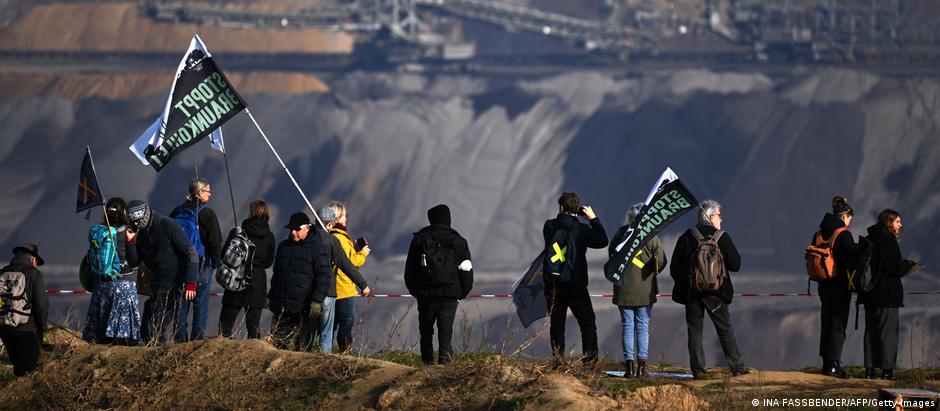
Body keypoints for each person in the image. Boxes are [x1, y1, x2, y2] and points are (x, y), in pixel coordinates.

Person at [268, 211, 370, 352]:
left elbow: (324, 275)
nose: (293, 232)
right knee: (282, 344)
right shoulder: (284, 247)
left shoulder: (318, 247)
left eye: (297, 229)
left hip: (307, 305)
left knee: (305, 345)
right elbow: (277, 275)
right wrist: (273, 298)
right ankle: (322, 355)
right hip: (285, 307)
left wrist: (316, 300)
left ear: (308, 227)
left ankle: (322, 360)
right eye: (291, 229)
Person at [669, 200, 747, 379]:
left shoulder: (687, 237)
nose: (721, 219)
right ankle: (737, 367)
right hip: (717, 293)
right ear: (710, 217)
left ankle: (698, 370)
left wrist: (689, 283)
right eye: (719, 215)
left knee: (695, 331)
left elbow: (674, 268)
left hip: (693, 293)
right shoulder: (722, 237)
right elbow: (736, 264)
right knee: (725, 329)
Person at [542, 193, 608, 367]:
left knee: (557, 324)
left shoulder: (549, 226)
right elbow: (602, 240)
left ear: (561, 208)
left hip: (554, 284)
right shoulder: (582, 230)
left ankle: (558, 362)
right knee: (587, 323)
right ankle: (590, 362)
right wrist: (593, 219)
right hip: (576, 284)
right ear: (577, 209)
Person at [405, 204, 473, 365]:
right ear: (448, 218)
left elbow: (410, 270)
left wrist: (417, 291)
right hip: (450, 295)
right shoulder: (459, 241)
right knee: (445, 332)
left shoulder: (420, 239)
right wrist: (461, 292)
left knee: (426, 331)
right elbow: (467, 270)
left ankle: (427, 363)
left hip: (426, 295)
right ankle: (445, 363)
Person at [128, 200, 198, 345]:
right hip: (157, 285)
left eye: (138, 220)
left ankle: (169, 357)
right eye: (133, 221)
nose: (136, 224)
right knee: (153, 326)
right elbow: (134, 262)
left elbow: (191, 253)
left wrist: (191, 283)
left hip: (175, 283)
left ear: (145, 214)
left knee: (166, 327)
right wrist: (130, 242)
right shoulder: (142, 235)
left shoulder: (168, 225)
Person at [609, 203, 667, 377]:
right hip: (645, 290)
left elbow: (612, 256)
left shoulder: (620, 235)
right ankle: (642, 367)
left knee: (627, 326)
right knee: (642, 327)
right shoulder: (652, 237)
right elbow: (662, 261)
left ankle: (629, 367)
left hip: (624, 288)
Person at [862, 209, 917, 381]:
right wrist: (908, 265)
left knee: (871, 331)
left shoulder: (870, 238)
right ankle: (887, 370)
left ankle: (869, 369)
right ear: (889, 222)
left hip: (868, 292)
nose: (900, 225)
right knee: (888, 332)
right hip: (887, 293)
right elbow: (894, 268)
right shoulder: (889, 241)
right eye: (898, 221)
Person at [309, 207, 371, 353]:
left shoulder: (307, 238)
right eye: (344, 216)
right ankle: (328, 358)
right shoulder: (334, 240)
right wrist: (363, 284)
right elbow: (347, 264)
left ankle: (305, 355)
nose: (346, 219)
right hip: (333, 291)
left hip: (309, 291)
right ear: (332, 222)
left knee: (311, 329)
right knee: (330, 329)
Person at [82, 197, 142, 345]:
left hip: (100, 285)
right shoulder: (127, 231)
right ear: (124, 212)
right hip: (123, 286)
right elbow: (134, 261)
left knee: (100, 337)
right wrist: (131, 241)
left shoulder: (99, 231)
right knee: (123, 340)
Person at [170, 178, 222, 343]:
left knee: (181, 306)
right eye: (207, 191)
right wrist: (216, 262)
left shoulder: (177, 212)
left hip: (180, 265)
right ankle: (197, 341)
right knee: (200, 304)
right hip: (201, 264)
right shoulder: (207, 213)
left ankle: (179, 341)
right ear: (199, 193)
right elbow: (215, 241)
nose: (210, 194)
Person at [812, 196, 855, 378]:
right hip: (839, 285)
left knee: (826, 321)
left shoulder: (819, 233)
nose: (849, 223)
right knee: (838, 324)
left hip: (823, 284)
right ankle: (833, 365)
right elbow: (848, 260)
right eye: (850, 220)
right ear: (845, 216)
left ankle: (827, 361)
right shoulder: (843, 234)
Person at [219, 200, 275, 339]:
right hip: (257, 282)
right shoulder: (269, 237)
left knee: (225, 327)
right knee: (253, 328)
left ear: (251, 213)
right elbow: (268, 262)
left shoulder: (238, 232)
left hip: (236, 279)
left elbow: (224, 255)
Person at [327, 201, 371, 352]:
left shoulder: (330, 236)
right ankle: (345, 352)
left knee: (331, 324)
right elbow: (350, 263)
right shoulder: (340, 238)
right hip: (344, 287)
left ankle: (324, 351)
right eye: (344, 215)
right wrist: (363, 254)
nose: (346, 219)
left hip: (332, 287)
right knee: (346, 321)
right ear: (338, 217)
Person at [0, 243, 48, 376]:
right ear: (32, 259)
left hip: (5, 329)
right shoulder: (34, 274)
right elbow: (41, 304)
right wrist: (42, 327)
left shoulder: (3, 272)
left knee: (18, 368)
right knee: (30, 371)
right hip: (27, 329)